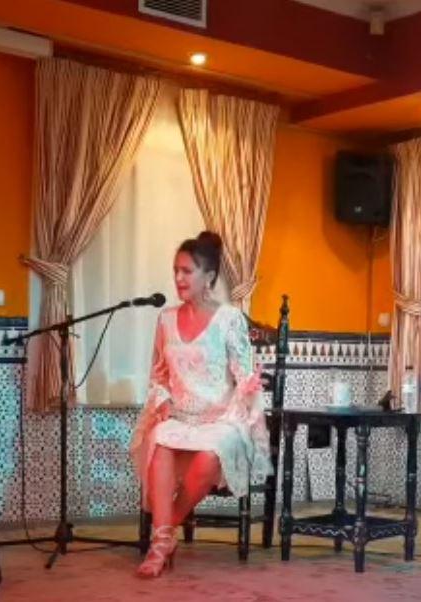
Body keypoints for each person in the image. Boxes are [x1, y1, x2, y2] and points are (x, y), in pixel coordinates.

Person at [130, 231, 273, 578]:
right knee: (160, 440)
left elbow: (243, 374)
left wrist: (248, 385)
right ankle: (164, 540)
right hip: (180, 415)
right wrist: (164, 401)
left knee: (211, 454)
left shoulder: (230, 319)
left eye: (186, 271)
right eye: (175, 271)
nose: (178, 278)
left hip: (220, 418)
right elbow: (158, 376)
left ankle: (162, 537)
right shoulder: (165, 319)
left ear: (208, 276)